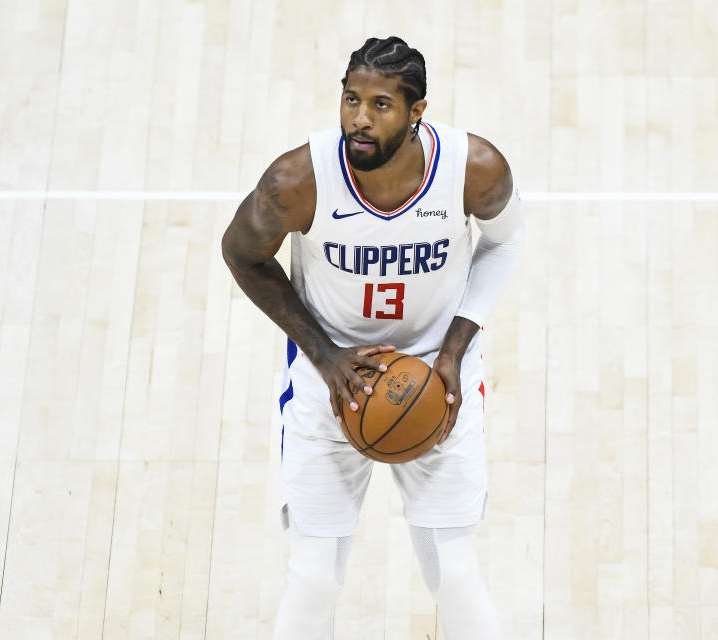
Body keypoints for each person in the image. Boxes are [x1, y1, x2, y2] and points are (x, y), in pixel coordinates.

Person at [221, 36, 522, 640]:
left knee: (457, 576)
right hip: (329, 377)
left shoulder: (476, 169)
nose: (359, 118)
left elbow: (504, 242)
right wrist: (325, 355)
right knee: (313, 579)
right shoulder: (297, 181)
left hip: (438, 375)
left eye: (381, 104)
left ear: (417, 112)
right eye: (350, 99)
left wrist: (455, 352)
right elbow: (242, 254)